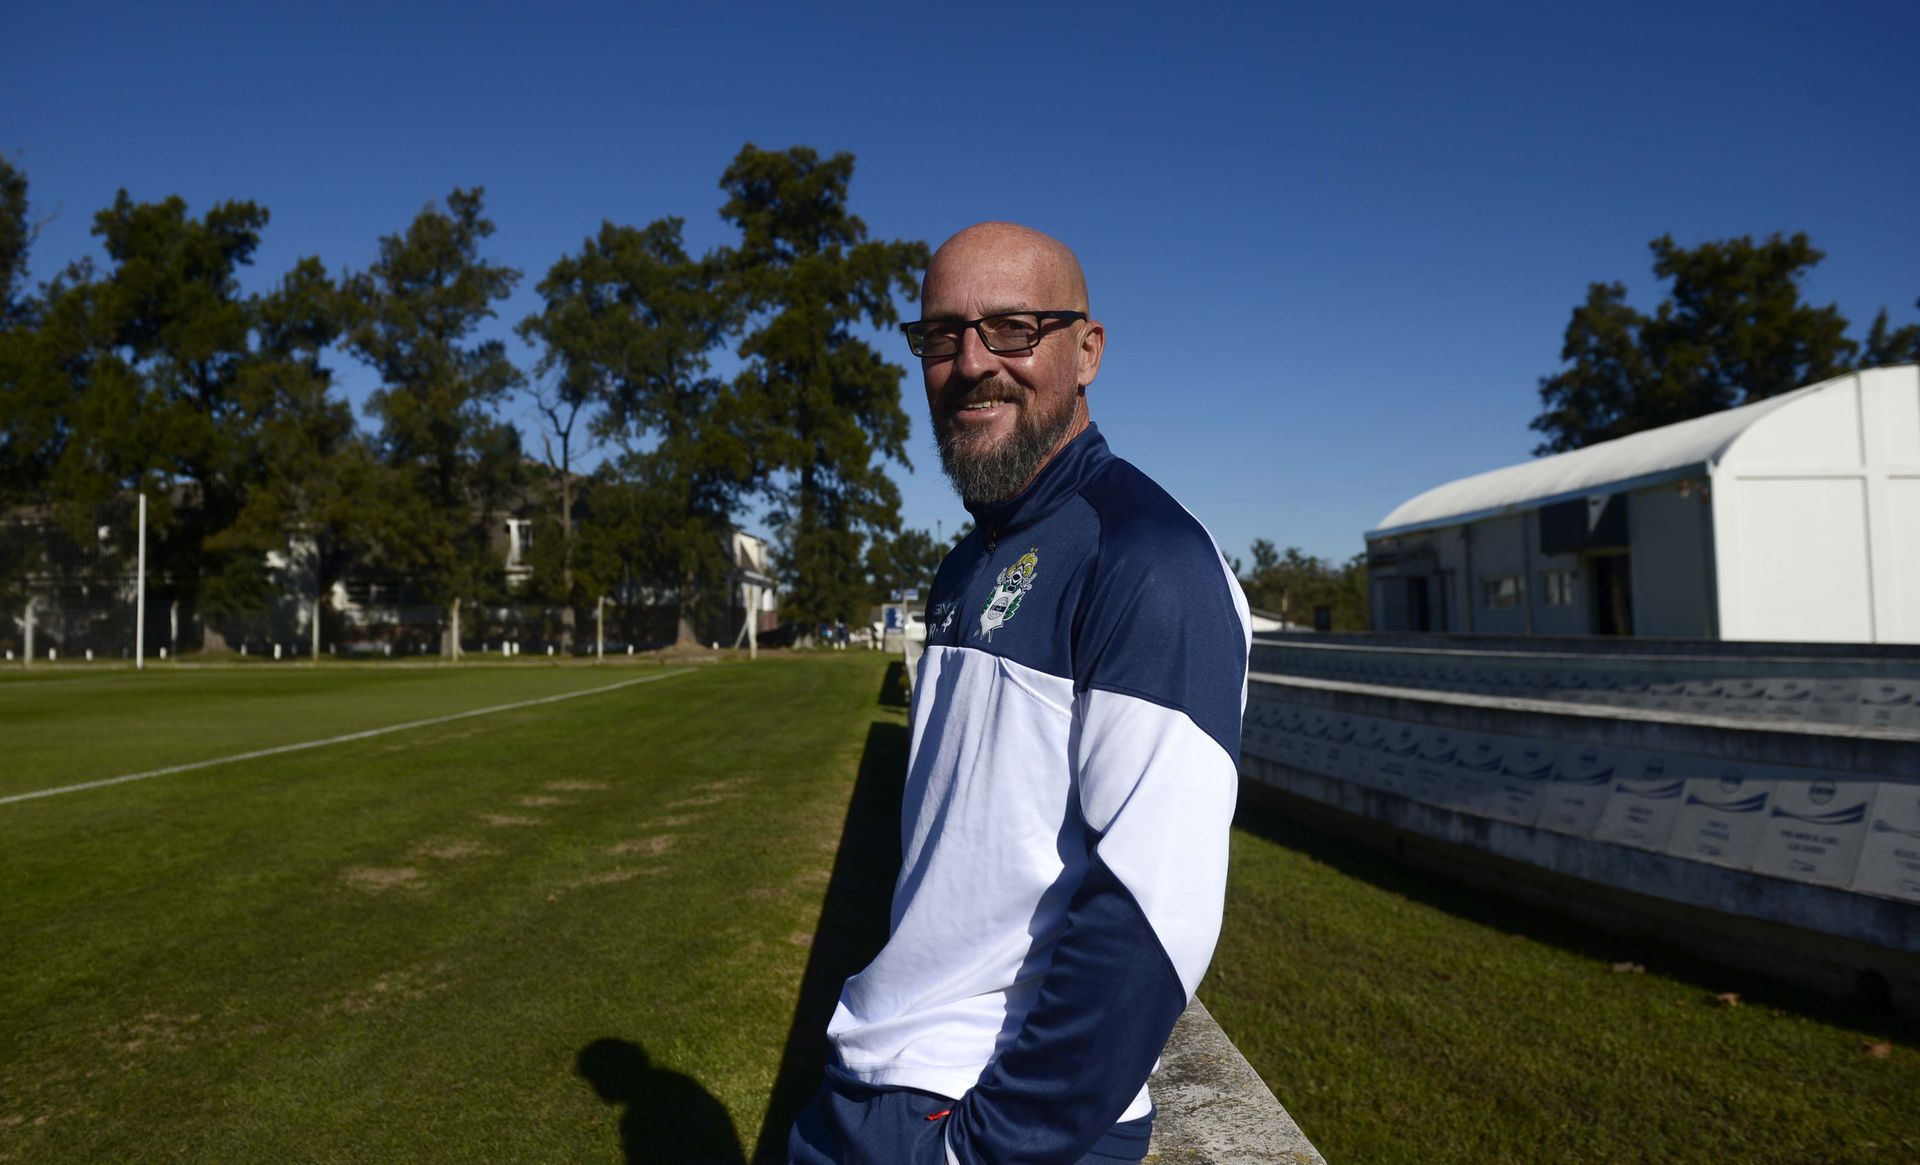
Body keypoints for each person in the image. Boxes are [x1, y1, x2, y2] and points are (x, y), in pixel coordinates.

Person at [789, 223, 1251, 1165]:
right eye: (940, 335)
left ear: (1086, 353)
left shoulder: (1149, 560)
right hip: (869, 1081)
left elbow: (1155, 912)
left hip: (981, 1121)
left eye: (1011, 329)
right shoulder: (966, 563)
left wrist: (982, 1149)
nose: (970, 363)